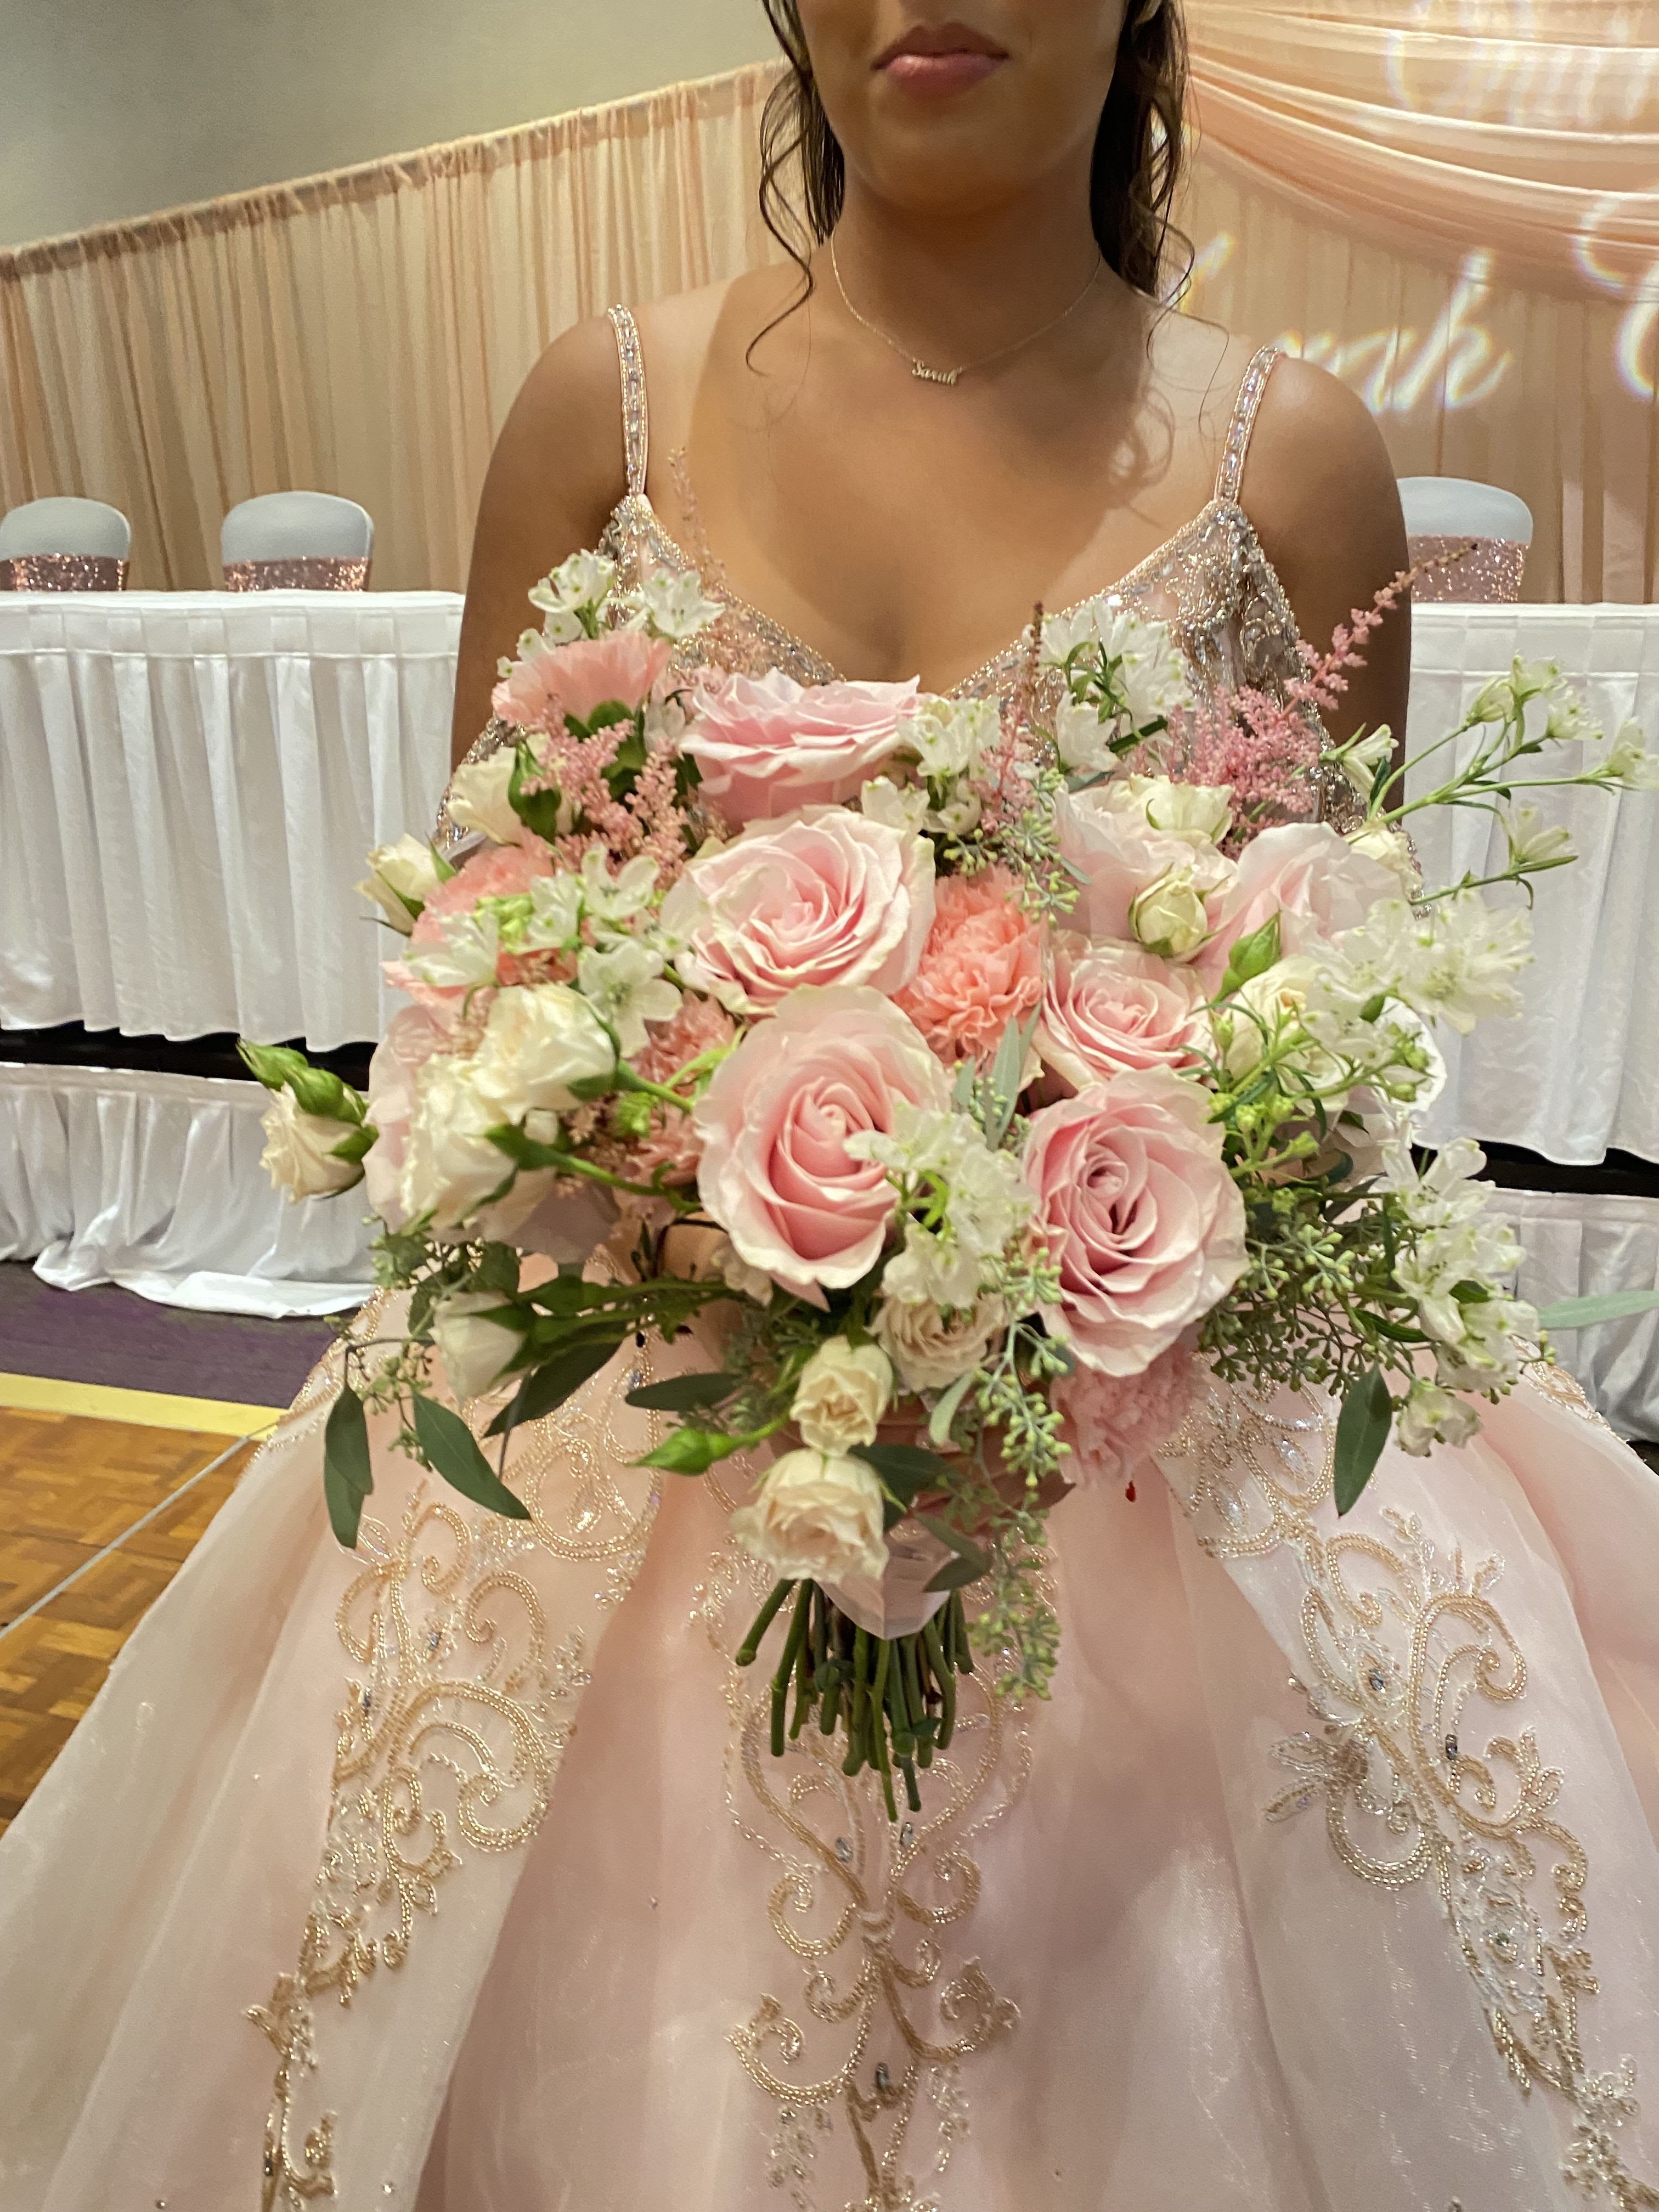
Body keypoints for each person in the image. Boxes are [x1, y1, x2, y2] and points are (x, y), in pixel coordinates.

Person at [3, 6, 1656, 2208]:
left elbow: (1326, 1041)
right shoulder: (599, 411)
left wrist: (1106, 1168)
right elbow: (473, 960)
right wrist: (670, 1140)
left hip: (1155, 1456)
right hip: (622, 1424)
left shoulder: (1302, 461)